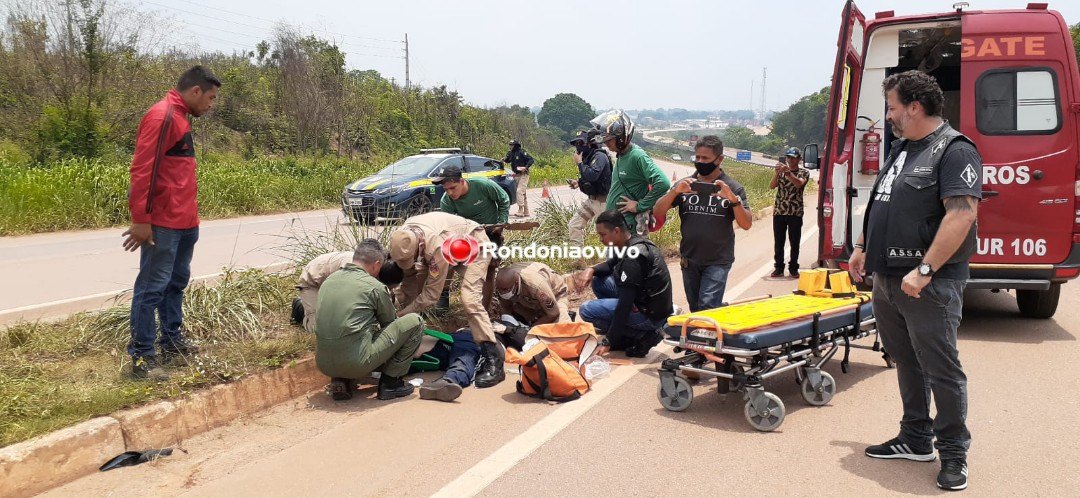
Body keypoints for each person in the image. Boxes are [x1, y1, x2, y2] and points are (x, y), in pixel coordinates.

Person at [848, 70, 981, 492]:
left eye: (891, 107)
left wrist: (924, 270)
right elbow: (885, 199)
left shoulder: (954, 151)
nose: (887, 116)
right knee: (906, 360)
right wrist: (862, 245)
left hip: (928, 283)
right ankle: (916, 437)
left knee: (941, 369)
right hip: (887, 277)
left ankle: (954, 452)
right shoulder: (905, 148)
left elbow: (962, 214)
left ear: (914, 107)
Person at [121, 66, 220, 381]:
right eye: (211, 97)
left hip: (185, 222)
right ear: (195, 92)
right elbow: (143, 170)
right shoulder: (162, 117)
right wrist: (141, 219)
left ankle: (172, 343)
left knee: (175, 284)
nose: (211, 104)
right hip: (163, 225)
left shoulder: (179, 118)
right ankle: (141, 358)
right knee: (151, 288)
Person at [388, 212, 506, 388]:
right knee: (406, 289)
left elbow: (431, 296)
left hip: (475, 244)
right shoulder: (401, 238)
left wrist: (401, 314)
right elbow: (407, 284)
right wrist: (391, 312)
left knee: (469, 298)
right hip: (452, 243)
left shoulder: (435, 248)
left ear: (419, 247)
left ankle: (493, 360)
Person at [315, 239, 424, 401]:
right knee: (415, 322)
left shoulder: (329, 281)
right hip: (357, 363)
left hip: (323, 364)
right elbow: (390, 324)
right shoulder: (374, 286)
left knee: (353, 330)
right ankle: (390, 383)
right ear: (376, 264)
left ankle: (341, 379)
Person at [652, 135, 751, 312]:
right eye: (697, 157)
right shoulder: (685, 184)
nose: (700, 162)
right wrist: (674, 192)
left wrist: (733, 200)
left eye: (705, 158)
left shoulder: (732, 188)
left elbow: (746, 224)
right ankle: (702, 335)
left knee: (707, 306)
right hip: (689, 260)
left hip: (718, 261)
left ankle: (709, 337)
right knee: (696, 308)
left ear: (719, 159)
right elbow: (657, 211)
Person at [574, 210, 673, 357]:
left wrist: (609, 340)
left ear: (616, 231)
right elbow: (610, 265)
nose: (600, 239)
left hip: (650, 315)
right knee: (599, 281)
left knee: (586, 310)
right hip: (650, 302)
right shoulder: (630, 243)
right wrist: (591, 269)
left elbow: (625, 305)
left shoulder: (632, 258)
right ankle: (624, 330)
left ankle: (642, 335)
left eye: (603, 235)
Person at [592, 110, 671, 236]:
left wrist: (639, 206)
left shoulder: (637, 156)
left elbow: (663, 183)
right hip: (618, 226)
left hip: (630, 228)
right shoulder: (622, 155)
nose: (606, 144)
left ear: (621, 138)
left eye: (609, 140)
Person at [293, 251, 404, 332]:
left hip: (333, 283)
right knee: (320, 332)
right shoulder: (355, 273)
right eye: (389, 287)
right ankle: (299, 307)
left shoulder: (377, 271)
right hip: (314, 282)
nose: (391, 290)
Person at [436, 165, 510, 245]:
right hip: (468, 234)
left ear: (462, 181)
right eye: (445, 189)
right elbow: (449, 225)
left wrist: (501, 223)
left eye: (453, 188)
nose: (449, 193)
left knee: (494, 255)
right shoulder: (446, 201)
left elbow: (504, 199)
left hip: (491, 231)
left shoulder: (482, 185)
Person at [567, 129, 612, 247]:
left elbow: (592, 175)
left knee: (607, 234)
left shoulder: (600, 156)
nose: (578, 147)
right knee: (574, 225)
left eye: (580, 143)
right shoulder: (589, 157)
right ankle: (578, 260)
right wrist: (578, 183)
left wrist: (580, 163)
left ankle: (617, 261)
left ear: (590, 143)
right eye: (576, 144)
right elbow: (589, 178)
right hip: (592, 200)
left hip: (602, 203)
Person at [769, 147, 810, 278]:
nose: (790, 160)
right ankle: (779, 267)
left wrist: (788, 173)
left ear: (799, 159)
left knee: (794, 242)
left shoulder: (803, 172)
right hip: (780, 211)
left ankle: (793, 267)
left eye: (793, 157)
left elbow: (799, 184)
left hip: (795, 212)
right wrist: (777, 173)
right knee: (779, 241)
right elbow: (772, 186)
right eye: (788, 157)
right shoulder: (781, 172)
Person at [494, 262, 571, 326]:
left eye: (505, 290)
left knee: (562, 326)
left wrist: (532, 328)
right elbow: (506, 308)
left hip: (556, 294)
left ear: (516, 283)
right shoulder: (505, 284)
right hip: (528, 300)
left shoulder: (536, 285)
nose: (502, 293)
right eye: (499, 289)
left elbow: (554, 313)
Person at [504, 139, 534, 218]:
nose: (510, 146)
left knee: (519, 191)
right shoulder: (510, 153)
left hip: (524, 174)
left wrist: (526, 167)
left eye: (512, 145)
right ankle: (526, 211)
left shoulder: (522, 152)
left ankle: (520, 210)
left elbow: (531, 160)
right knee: (522, 193)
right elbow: (507, 160)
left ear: (516, 145)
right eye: (509, 145)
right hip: (516, 175)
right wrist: (503, 160)